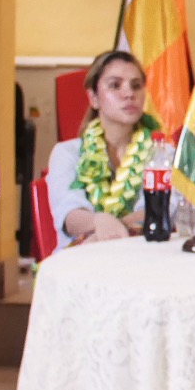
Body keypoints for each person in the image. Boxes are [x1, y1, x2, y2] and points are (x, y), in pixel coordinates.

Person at [44, 51, 164, 247]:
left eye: (136, 86)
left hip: (142, 257)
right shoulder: (67, 152)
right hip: (81, 258)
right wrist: (99, 222)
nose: (129, 94)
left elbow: (158, 211)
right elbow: (70, 216)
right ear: (93, 98)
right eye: (115, 85)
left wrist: (107, 232)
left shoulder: (162, 153)